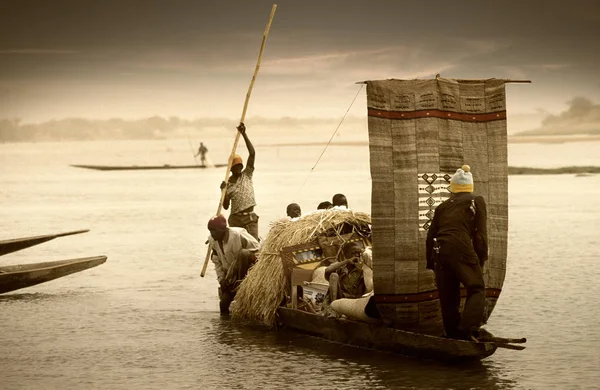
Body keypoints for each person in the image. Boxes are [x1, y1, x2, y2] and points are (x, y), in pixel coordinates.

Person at [426, 164, 488, 340]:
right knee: (476, 288)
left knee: (448, 296)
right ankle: (467, 329)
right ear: (470, 187)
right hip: (460, 247)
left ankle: (453, 335)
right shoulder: (476, 201)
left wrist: (431, 263)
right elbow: (480, 235)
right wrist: (480, 258)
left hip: (439, 251)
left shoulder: (443, 207)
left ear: (452, 189)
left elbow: (431, 236)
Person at [207, 214, 260, 315]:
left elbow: (258, 250)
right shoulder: (212, 240)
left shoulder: (238, 234)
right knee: (223, 304)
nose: (212, 234)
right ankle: (226, 328)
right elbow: (217, 262)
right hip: (231, 277)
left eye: (214, 231)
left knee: (243, 254)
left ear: (222, 230)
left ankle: (242, 288)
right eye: (210, 231)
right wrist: (221, 279)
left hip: (248, 272)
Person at [221, 123, 259, 241]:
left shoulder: (246, 174)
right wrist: (223, 191)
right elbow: (226, 206)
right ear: (231, 169)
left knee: (253, 244)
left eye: (240, 166)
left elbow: (252, 154)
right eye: (235, 166)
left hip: (250, 218)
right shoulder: (228, 183)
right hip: (235, 219)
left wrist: (244, 134)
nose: (238, 168)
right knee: (238, 247)